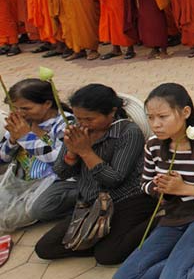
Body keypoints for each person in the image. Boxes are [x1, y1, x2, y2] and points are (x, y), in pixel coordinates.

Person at [115, 83, 194, 279]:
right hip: (174, 217)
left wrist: (186, 188)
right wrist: (161, 188)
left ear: (185, 112)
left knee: (171, 277)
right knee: (124, 276)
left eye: (163, 117)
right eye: (150, 117)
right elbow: (145, 184)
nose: (155, 124)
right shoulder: (153, 146)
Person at [34, 84, 153, 264]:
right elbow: (61, 172)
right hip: (92, 203)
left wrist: (86, 152)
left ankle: (158, 223)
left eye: (90, 118)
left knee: (107, 256)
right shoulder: (77, 128)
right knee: (45, 248)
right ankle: (103, 238)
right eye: (78, 117)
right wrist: (72, 154)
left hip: (127, 199)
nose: (82, 123)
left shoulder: (128, 132)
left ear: (112, 112)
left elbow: (115, 179)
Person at [1, 78, 76, 228]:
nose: (20, 113)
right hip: (27, 179)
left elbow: (60, 161)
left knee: (40, 209)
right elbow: (2, 160)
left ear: (47, 104)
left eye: (25, 108)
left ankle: (83, 197)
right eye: (15, 108)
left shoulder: (64, 123)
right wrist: (13, 141)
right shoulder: (21, 122)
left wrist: (26, 138)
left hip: (61, 179)